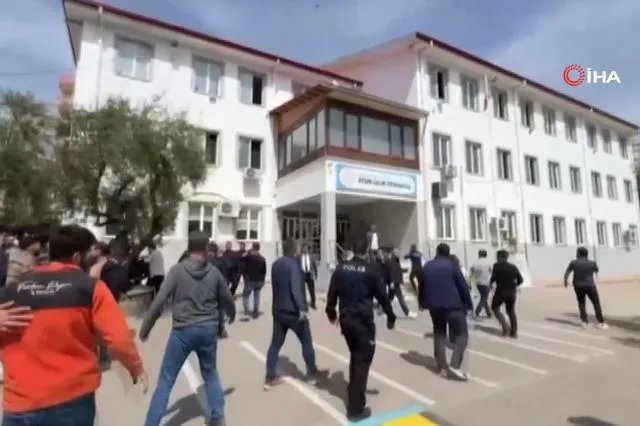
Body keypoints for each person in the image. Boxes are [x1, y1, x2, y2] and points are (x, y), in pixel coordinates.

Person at [0, 225, 147, 425]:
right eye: (91, 253)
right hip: (72, 400)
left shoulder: (11, 291)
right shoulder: (91, 288)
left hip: (21, 403)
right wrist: (136, 368)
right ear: (78, 257)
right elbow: (119, 339)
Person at [140, 231, 236, 426]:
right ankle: (218, 416)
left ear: (189, 247)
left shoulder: (177, 271)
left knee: (166, 380)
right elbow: (226, 298)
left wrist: (145, 328)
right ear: (206, 248)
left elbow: (159, 302)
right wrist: (231, 314)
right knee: (210, 373)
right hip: (207, 330)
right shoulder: (213, 272)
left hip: (182, 332)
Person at [326, 238, 396, 422]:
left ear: (352, 249)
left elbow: (332, 294)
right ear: (367, 251)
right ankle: (356, 410)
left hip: (346, 321)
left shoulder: (341, 269)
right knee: (363, 361)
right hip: (363, 323)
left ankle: (354, 394)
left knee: (356, 356)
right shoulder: (371, 271)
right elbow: (383, 296)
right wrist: (391, 316)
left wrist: (331, 313)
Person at [264, 239, 326, 390]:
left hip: (278, 310)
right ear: (294, 250)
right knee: (306, 342)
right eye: (298, 247)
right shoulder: (294, 265)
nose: (299, 250)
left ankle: (269, 378)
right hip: (294, 312)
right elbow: (295, 289)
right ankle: (312, 374)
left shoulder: (276, 264)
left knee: (275, 344)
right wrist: (302, 309)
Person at [420, 243, 473, 381]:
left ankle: (441, 365)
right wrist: (469, 304)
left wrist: (421, 302)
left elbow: (422, 285)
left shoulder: (427, 266)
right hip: (453, 305)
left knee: (439, 333)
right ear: (448, 253)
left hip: (434, 306)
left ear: (437, 252)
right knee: (462, 334)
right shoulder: (452, 266)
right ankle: (455, 364)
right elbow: (462, 286)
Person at [88, 241, 132, 367]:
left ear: (98, 251)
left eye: (92, 249)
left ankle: (103, 356)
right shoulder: (114, 263)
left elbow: (91, 287)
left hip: (98, 302)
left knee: (98, 330)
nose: (90, 252)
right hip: (112, 300)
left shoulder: (95, 268)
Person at [563, 247, 607, 329]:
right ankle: (601, 322)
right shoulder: (592, 263)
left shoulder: (573, 262)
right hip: (590, 285)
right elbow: (596, 270)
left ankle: (584, 322)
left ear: (579, 254)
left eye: (577, 253)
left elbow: (567, 273)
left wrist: (565, 281)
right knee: (596, 303)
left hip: (578, 285)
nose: (576, 254)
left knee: (581, 303)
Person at [490, 249, 524, 338]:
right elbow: (521, 280)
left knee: (495, 308)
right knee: (511, 312)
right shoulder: (513, 267)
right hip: (511, 293)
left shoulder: (496, 266)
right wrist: (514, 285)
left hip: (500, 292)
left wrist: (490, 283)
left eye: (497, 257)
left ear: (500, 257)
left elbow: (493, 278)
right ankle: (514, 333)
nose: (496, 258)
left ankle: (505, 328)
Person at [388, 248, 417, 319]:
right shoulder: (392, 261)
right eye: (397, 253)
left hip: (395, 282)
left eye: (399, 253)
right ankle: (407, 313)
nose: (399, 254)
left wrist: (404, 271)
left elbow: (398, 270)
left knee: (390, 298)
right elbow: (392, 272)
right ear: (394, 253)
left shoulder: (396, 260)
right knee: (400, 298)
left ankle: (383, 310)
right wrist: (392, 282)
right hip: (394, 283)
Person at [241, 242, 266, 321]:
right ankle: (255, 313)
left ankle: (246, 312)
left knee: (245, 295)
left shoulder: (250, 257)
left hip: (251, 280)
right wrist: (263, 280)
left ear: (253, 248)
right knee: (257, 296)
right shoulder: (262, 259)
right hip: (260, 281)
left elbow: (241, 258)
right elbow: (264, 271)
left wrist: (248, 251)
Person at [470, 250, 493, 319]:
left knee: (484, 297)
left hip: (478, 283)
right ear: (486, 255)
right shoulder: (488, 263)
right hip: (486, 282)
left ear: (479, 255)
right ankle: (477, 312)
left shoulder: (474, 263)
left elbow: (472, 273)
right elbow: (492, 273)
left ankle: (489, 313)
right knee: (484, 298)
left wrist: (471, 282)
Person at [298, 244, 317, 309]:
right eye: (304, 248)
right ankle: (303, 303)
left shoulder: (311, 256)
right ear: (302, 249)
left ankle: (313, 303)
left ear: (307, 249)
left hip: (309, 274)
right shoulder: (299, 257)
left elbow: (314, 266)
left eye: (306, 248)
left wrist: (316, 274)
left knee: (312, 290)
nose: (305, 249)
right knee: (302, 290)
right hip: (302, 275)